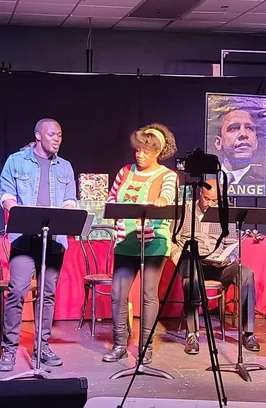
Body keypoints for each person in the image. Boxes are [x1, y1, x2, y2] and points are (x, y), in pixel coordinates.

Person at [0, 118, 78, 372]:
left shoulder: (65, 167)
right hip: (24, 239)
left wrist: (66, 212)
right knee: (17, 291)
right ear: (38, 136)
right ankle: (9, 349)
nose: (57, 139)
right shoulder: (16, 161)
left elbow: (70, 199)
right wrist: (20, 214)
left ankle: (41, 347)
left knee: (47, 294)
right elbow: (6, 195)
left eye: (60, 135)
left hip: (53, 240)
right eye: (52, 134)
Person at [103, 123, 179, 364]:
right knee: (118, 294)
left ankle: (146, 348)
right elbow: (112, 198)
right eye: (138, 150)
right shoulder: (125, 171)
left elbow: (168, 195)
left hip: (154, 242)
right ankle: (119, 344)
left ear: (157, 152)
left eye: (146, 151)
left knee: (148, 295)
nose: (140, 155)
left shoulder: (168, 175)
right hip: (126, 241)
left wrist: (162, 200)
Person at [174, 178, 260, 355]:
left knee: (246, 274)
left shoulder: (225, 215)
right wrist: (179, 258)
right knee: (191, 278)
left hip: (219, 266)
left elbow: (233, 246)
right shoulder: (185, 211)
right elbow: (174, 240)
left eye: (215, 200)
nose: (210, 204)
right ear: (200, 193)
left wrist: (228, 258)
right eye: (207, 199)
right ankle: (192, 334)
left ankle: (248, 333)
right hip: (194, 264)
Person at [213, 108, 264, 186]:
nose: (243, 134)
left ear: (256, 142)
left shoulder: (262, 184)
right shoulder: (207, 182)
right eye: (233, 128)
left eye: (249, 128)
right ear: (218, 142)